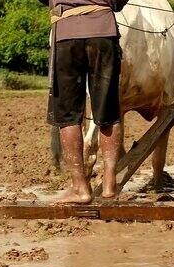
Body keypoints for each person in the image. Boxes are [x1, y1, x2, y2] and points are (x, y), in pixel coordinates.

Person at [39, 0, 129, 204]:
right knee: (109, 111)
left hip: (66, 34)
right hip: (103, 32)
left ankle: (80, 188)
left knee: (68, 116)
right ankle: (109, 185)